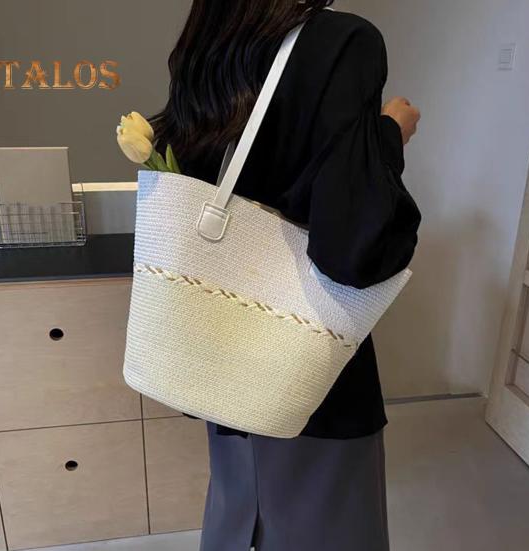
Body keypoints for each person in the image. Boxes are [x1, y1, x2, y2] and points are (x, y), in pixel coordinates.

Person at [150, 1, 422, 549]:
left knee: (240, 515)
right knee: (325, 525)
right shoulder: (344, 40)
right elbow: (352, 248)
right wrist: (389, 135)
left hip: (219, 344)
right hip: (308, 348)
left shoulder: (212, 35)